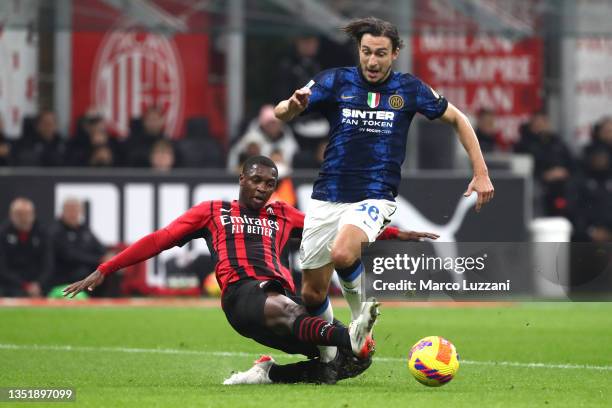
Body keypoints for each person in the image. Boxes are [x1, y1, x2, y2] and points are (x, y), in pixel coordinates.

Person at [63, 155, 438, 384]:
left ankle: (267, 373)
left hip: (283, 299)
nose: (262, 189)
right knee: (312, 321)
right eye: (256, 180)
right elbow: (160, 239)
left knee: (347, 365)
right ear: (241, 179)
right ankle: (347, 335)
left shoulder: (282, 215)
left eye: (269, 184)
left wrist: (395, 233)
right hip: (243, 296)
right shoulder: (212, 212)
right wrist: (106, 268)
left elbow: (338, 231)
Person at [274, 17, 494, 363]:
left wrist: (481, 173)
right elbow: (281, 112)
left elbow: (458, 119)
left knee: (345, 253)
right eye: (366, 52)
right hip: (327, 195)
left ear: (395, 54)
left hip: (375, 194)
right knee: (312, 292)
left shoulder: (409, 89)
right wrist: (293, 106)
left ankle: (362, 321)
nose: (372, 61)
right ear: (358, 51)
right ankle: (330, 360)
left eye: (380, 53)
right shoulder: (335, 81)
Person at [48, 198, 114, 294]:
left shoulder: (84, 229)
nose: (73, 214)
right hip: (65, 275)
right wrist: (99, 259)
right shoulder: (56, 231)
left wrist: (109, 257)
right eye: (69, 211)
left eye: (75, 210)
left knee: (109, 270)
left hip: (86, 271)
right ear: (63, 212)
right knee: (87, 274)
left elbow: (100, 248)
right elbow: (70, 255)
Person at [0, 198, 53, 297]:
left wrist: (38, 284)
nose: (24, 218)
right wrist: (24, 285)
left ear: (33, 214)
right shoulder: (3, 234)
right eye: (19, 214)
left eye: (27, 214)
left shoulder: (42, 234)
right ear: (11, 215)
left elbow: (48, 264)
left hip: (38, 284)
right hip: (11, 285)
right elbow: (2, 268)